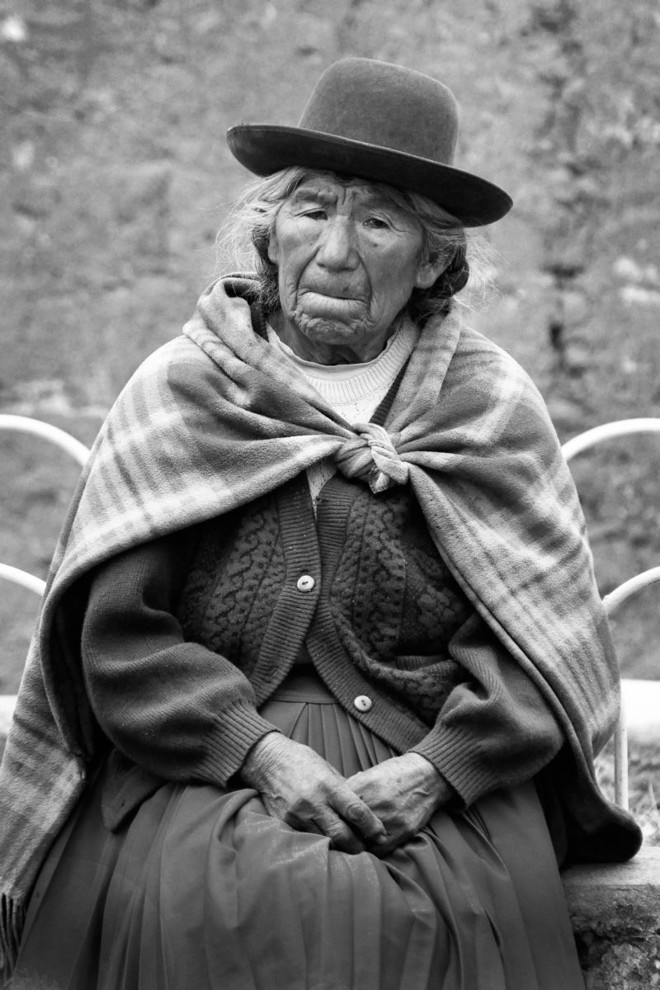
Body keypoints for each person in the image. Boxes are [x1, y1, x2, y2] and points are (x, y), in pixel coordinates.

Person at [0, 57, 641, 990]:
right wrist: (251, 752)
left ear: (433, 259)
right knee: (209, 899)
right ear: (267, 233)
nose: (336, 252)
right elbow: (118, 641)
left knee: (431, 919)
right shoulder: (186, 388)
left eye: (377, 220)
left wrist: (439, 770)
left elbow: (541, 645)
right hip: (205, 756)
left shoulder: (488, 405)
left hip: (440, 771)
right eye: (311, 211)